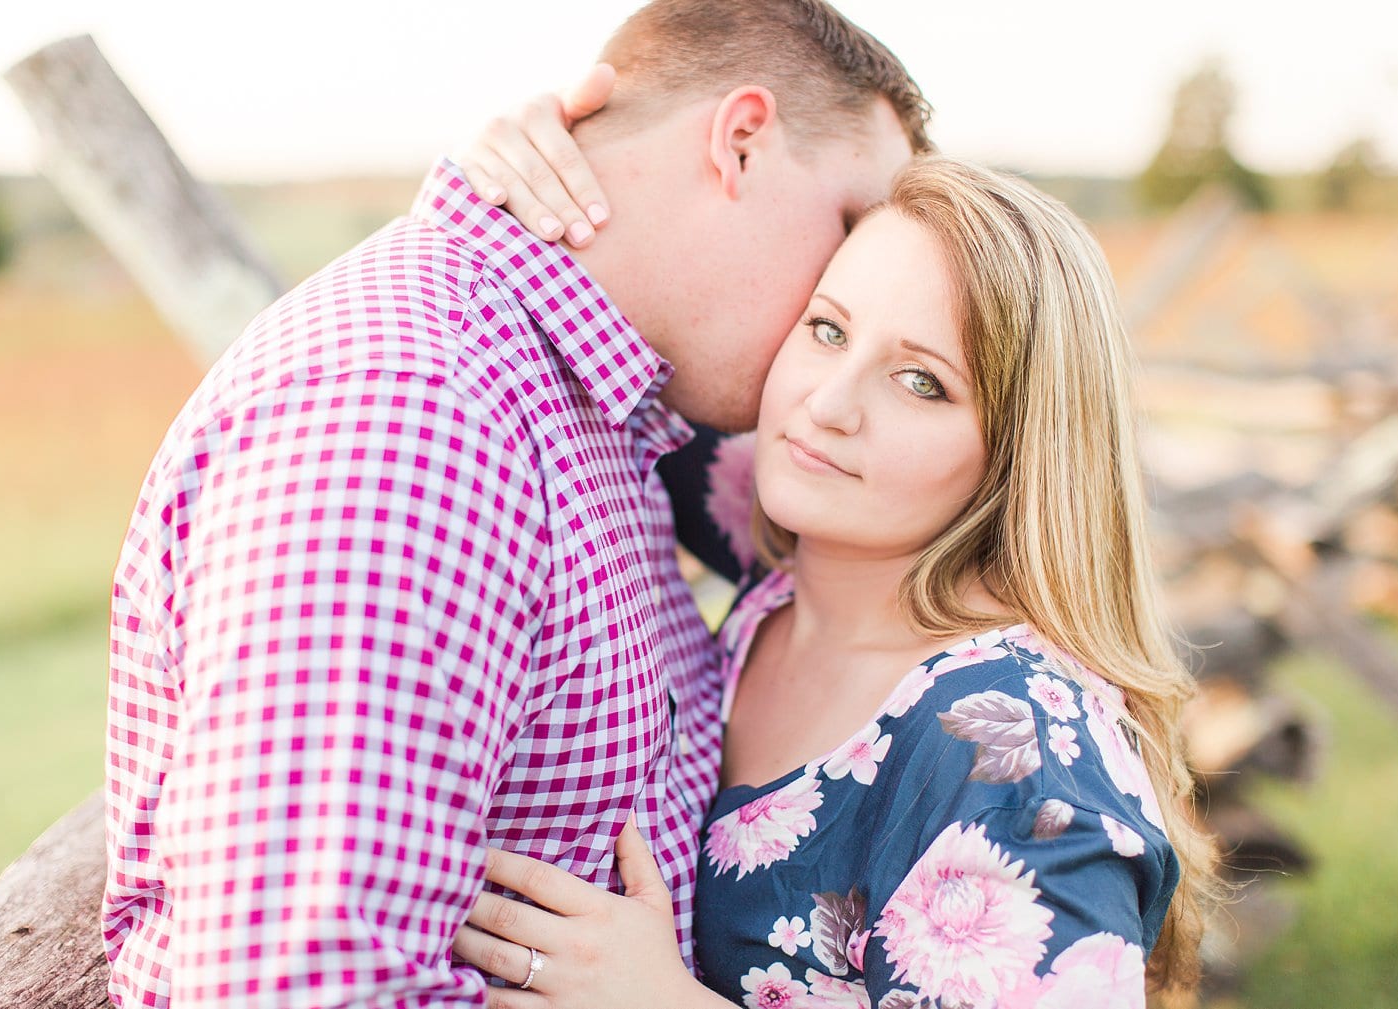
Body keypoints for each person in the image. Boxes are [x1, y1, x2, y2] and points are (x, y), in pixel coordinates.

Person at [102, 2, 928, 1007]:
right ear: (740, 142)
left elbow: (922, 503)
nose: (850, 287)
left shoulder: (611, 400)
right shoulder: (412, 425)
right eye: (847, 230)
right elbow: (297, 989)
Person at [443, 149, 1221, 1007]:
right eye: (827, 328)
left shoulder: (1013, 753)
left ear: (1018, 452)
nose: (828, 403)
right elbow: (618, 340)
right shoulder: (793, 530)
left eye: (921, 382)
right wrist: (549, 157)